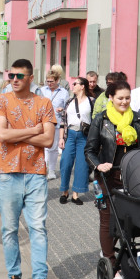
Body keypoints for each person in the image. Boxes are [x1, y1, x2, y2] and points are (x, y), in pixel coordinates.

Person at [0, 58, 59, 279]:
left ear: (31, 78)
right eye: (12, 76)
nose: (15, 80)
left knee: (38, 227)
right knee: (9, 228)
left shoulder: (44, 103)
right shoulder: (0, 101)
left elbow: (48, 141)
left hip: (35, 174)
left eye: (20, 76)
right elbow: (1, 134)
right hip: (8, 174)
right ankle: (14, 276)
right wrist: (34, 130)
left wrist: (14, 135)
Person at [85, 80, 140, 279]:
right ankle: (110, 262)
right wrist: (98, 165)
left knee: (127, 220)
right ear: (110, 98)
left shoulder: (138, 120)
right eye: (120, 98)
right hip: (107, 178)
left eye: (127, 98)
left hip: (131, 178)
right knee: (108, 220)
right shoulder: (101, 120)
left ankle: (124, 259)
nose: (124, 101)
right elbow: (89, 150)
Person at [59, 77, 93, 205]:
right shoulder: (69, 101)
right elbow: (63, 121)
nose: (72, 86)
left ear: (82, 86)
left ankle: (75, 195)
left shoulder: (91, 101)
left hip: (84, 136)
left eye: (75, 84)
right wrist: (61, 138)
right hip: (70, 135)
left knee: (81, 165)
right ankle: (64, 192)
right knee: (65, 162)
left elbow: (95, 121)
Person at [39, 67, 68, 180]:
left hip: (57, 123)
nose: (49, 83)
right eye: (48, 81)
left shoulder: (63, 93)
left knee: (53, 147)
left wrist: (62, 109)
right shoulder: (42, 90)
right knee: (44, 146)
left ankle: (51, 171)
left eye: (51, 81)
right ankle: (43, 169)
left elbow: (67, 107)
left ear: (57, 81)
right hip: (43, 122)